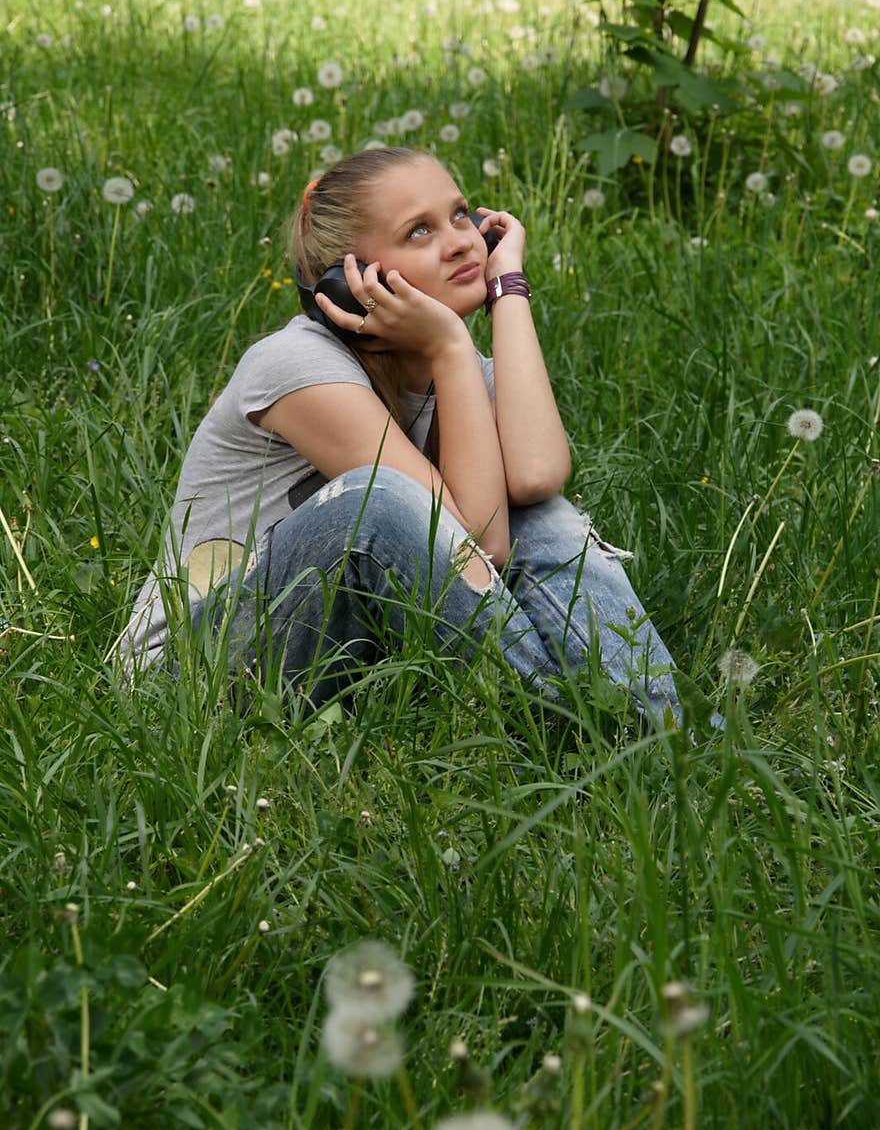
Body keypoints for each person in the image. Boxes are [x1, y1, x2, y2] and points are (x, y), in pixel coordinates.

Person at [121, 146, 681, 723]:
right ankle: (577, 731)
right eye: (418, 231)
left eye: (461, 213)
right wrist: (450, 343)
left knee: (536, 510)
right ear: (349, 282)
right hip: (192, 673)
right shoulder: (293, 364)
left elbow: (537, 475)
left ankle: (662, 727)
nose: (462, 240)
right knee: (378, 501)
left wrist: (509, 286)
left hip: (331, 658)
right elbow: (478, 545)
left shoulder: (457, 375)